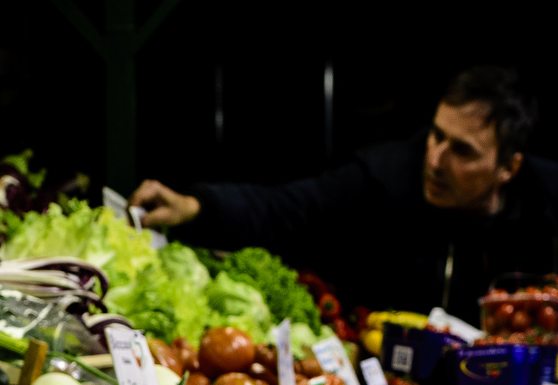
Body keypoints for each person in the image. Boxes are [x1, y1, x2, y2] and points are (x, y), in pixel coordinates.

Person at [130, 66, 558, 322]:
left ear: (509, 168)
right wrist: (196, 206)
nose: (436, 160)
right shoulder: (383, 177)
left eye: (462, 151)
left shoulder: (547, 201)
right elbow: (287, 209)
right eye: (436, 136)